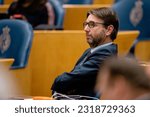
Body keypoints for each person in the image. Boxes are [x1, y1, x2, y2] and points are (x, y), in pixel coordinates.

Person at [51, 7, 119, 97]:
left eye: (92, 24)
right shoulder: (90, 51)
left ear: (108, 30)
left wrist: (57, 82)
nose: (86, 29)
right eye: (86, 24)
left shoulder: (105, 56)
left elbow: (68, 80)